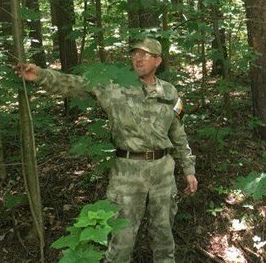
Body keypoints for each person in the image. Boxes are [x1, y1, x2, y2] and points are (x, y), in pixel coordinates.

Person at [15, 38, 198, 263]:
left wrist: (188, 169)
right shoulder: (115, 87)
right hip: (127, 174)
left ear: (158, 60)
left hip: (163, 173)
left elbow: (178, 133)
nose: (138, 59)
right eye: (134, 54)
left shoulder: (170, 92)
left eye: (146, 55)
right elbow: (78, 84)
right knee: (121, 240)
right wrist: (41, 75)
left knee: (164, 237)